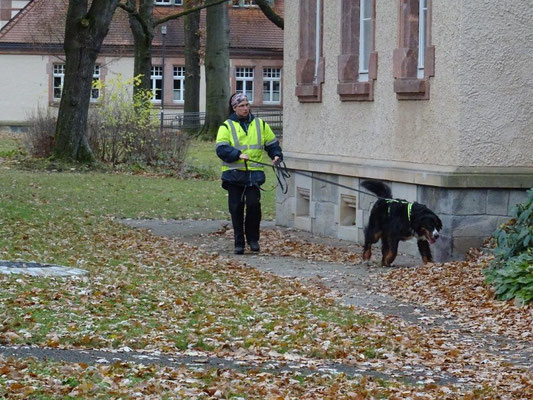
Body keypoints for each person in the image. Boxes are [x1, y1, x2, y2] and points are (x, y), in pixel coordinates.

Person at [215, 93, 283, 254]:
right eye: (241, 106)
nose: (245, 108)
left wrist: (276, 155)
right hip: (233, 174)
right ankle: (239, 242)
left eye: (247, 105)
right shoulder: (226, 126)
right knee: (236, 208)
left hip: (254, 174)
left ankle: (253, 239)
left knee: (253, 206)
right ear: (234, 108)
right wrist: (237, 154)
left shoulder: (261, 124)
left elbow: (272, 143)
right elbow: (221, 148)